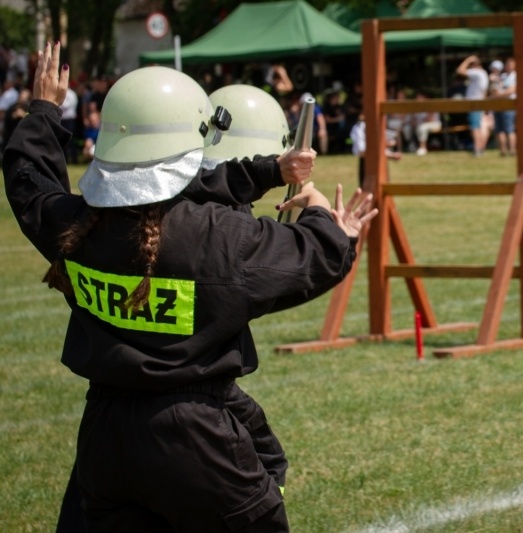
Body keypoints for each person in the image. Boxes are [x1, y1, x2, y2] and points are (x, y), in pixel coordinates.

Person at [5, 43, 376, 532]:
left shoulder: (73, 226)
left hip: (103, 440)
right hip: (195, 439)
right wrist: (330, 224)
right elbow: (309, 257)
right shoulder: (218, 240)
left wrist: (44, 114)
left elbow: (29, 182)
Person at [456, 54, 489, 156]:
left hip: (474, 103)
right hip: (480, 102)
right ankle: (480, 148)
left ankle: (477, 149)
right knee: (480, 127)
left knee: (475, 127)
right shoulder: (483, 73)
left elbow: (459, 71)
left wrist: (468, 60)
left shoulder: (476, 72)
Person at [491, 57, 517, 157]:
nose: (509, 66)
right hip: (498, 104)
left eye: (511, 64)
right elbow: (495, 87)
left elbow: (512, 90)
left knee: (509, 129)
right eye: (507, 64)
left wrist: (498, 95)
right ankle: (502, 151)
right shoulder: (502, 76)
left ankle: (512, 150)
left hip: (509, 104)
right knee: (499, 129)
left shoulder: (515, 76)